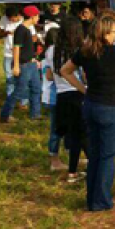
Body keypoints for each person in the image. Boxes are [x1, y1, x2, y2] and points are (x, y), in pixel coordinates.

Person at [61, 14, 115, 211]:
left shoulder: (85, 51)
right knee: (107, 156)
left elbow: (65, 70)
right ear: (106, 34)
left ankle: (92, 198)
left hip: (91, 105)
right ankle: (102, 201)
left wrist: (83, 89)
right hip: (112, 107)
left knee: (95, 155)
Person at [49, 16, 87, 183]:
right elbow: (85, 75)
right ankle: (91, 166)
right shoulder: (80, 50)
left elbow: (51, 74)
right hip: (78, 94)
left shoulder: (51, 50)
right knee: (83, 135)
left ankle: (72, 172)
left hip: (61, 96)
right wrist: (85, 89)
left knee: (73, 135)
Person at [0, 5, 42, 122]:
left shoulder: (28, 30)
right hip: (23, 65)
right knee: (19, 90)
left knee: (36, 88)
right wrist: (16, 66)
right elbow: (16, 48)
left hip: (31, 63)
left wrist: (33, 58)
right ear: (32, 16)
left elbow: (27, 48)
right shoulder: (20, 30)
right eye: (37, 16)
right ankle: (5, 115)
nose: (38, 18)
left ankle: (35, 114)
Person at [41, 27, 65, 171]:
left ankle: (60, 155)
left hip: (52, 95)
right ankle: (54, 160)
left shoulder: (46, 54)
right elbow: (50, 76)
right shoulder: (53, 54)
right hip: (53, 95)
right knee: (56, 129)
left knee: (61, 127)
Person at [0, 6, 23, 99]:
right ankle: (10, 97)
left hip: (20, 55)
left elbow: (33, 37)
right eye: (8, 18)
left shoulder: (24, 22)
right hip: (8, 54)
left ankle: (22, 100)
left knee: (22, 78)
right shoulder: (4, 19)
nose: (10, 20)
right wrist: (6, 33)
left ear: (18, 15)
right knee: (9, 78)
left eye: (12, 18)